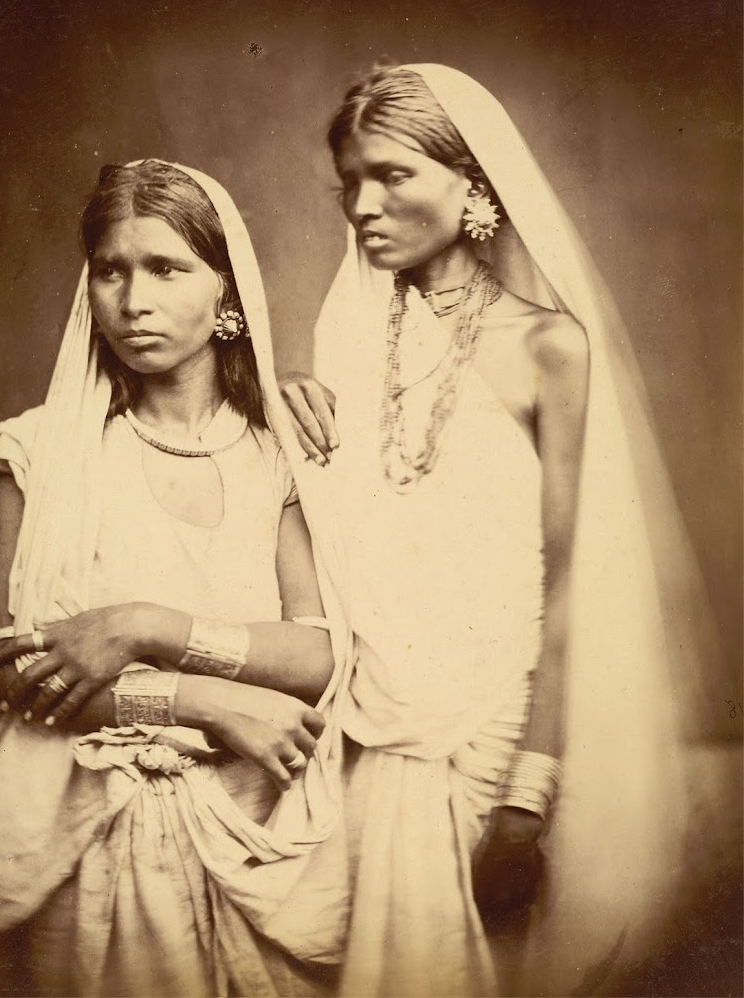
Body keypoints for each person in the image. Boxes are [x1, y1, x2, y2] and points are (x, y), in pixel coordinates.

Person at [280, 64, 708, 997]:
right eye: (350, 181)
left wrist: (527, 796)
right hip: (364, 726)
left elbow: (567, 584)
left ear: (472, 184)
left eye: (393, 175)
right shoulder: (344, 340)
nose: (363, 204)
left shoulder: (548, 348)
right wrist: (283, 411)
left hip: (492, 735)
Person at [0, 160, 350, 998]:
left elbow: (318, 655)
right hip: (82, 834)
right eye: (110, 269)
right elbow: (6, 670)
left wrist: (148, 627)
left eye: (166, 268)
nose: (133, 298)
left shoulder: (274, 456)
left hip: (247, 829)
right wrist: (200, 700)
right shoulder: (39, 451)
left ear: (227, 295)